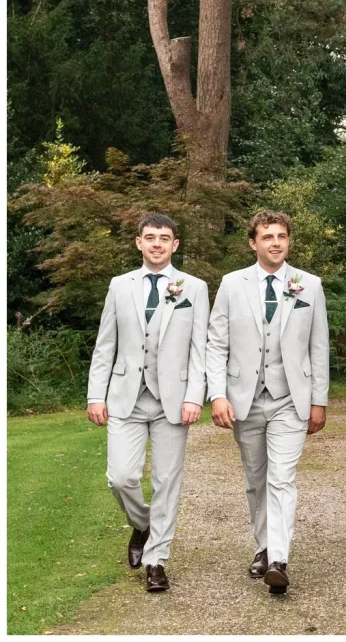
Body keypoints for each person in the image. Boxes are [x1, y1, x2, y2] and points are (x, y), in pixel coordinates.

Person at [206, 210, 329, 595]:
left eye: (281, 236)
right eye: (267, 236)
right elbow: (216, 344)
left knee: (281, 478)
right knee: (256, 479)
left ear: (288, 240)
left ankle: (278, 559)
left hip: (290, 399)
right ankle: (262, 545)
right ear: (253, 242)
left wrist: (319, 400)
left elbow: (319, 346)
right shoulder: (232, 284)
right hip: (245, 398)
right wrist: (218, 394)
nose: (276, 243)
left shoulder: (309, 284)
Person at [86, 213, 209, 592]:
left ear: (175, 245)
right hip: (126, 397)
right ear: (139, 242)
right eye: (150, 237)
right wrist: (96, 394)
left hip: (173, 400)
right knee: (121, 477)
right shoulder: (119, 286)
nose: (157, 243)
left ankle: (157, 561)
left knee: (167, 481)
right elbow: (105, 345)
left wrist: (195, 396)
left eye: (164, 238)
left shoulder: (194, 288)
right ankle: (142, 524)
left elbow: (200, 349)